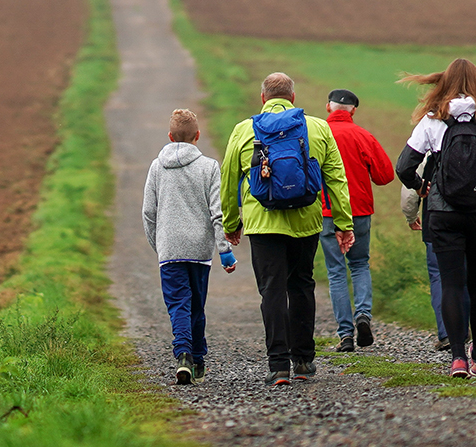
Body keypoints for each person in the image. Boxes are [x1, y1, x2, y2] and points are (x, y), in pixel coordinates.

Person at [393, 58, 476, 379]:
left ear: (443, 84)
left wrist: (422, 186)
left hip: (443, 213)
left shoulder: (432, 120)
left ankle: (457, 359)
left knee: (451, 283)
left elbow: (403, 167)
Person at [221, 73, 354, 386]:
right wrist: (343, 223)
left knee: (272, 289)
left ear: (263, 98)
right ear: (293, 98)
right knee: (302, 285)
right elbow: (336, 178)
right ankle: (304, 361)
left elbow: (229, 181)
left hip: (263, 224)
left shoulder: (244, 129)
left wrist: (231, 223)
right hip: (305, 221)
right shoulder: (318, 127)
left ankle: (278, 365)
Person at [142, 109, 234, 385]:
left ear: (170, 137)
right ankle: (197, 358)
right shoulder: (209, 167)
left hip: (170, 249)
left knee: (178, 304)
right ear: (198, 136)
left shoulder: (157, 167)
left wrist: (159, 245)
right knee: (196, 305)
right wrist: (224, 249)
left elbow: (149, 212)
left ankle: (184, 355)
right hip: (199, 251)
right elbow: (217, 213)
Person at [318, 89, 394, 352]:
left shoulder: (317, 134)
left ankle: (345, 334)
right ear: (353, 110)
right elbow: (385, 176)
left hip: (327, 212)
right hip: (359, 211)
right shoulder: (363, 135)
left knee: (336, 272)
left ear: (328, 107)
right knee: (360, 264)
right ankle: (364, 315)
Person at [400, 177, 461, 353]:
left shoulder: (427, 149)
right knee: (467, 272)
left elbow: (409, 188)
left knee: (439, 275)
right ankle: (466, 329)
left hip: (435, 219)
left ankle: (447, 333)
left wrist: (411, 216)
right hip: (474, 218)